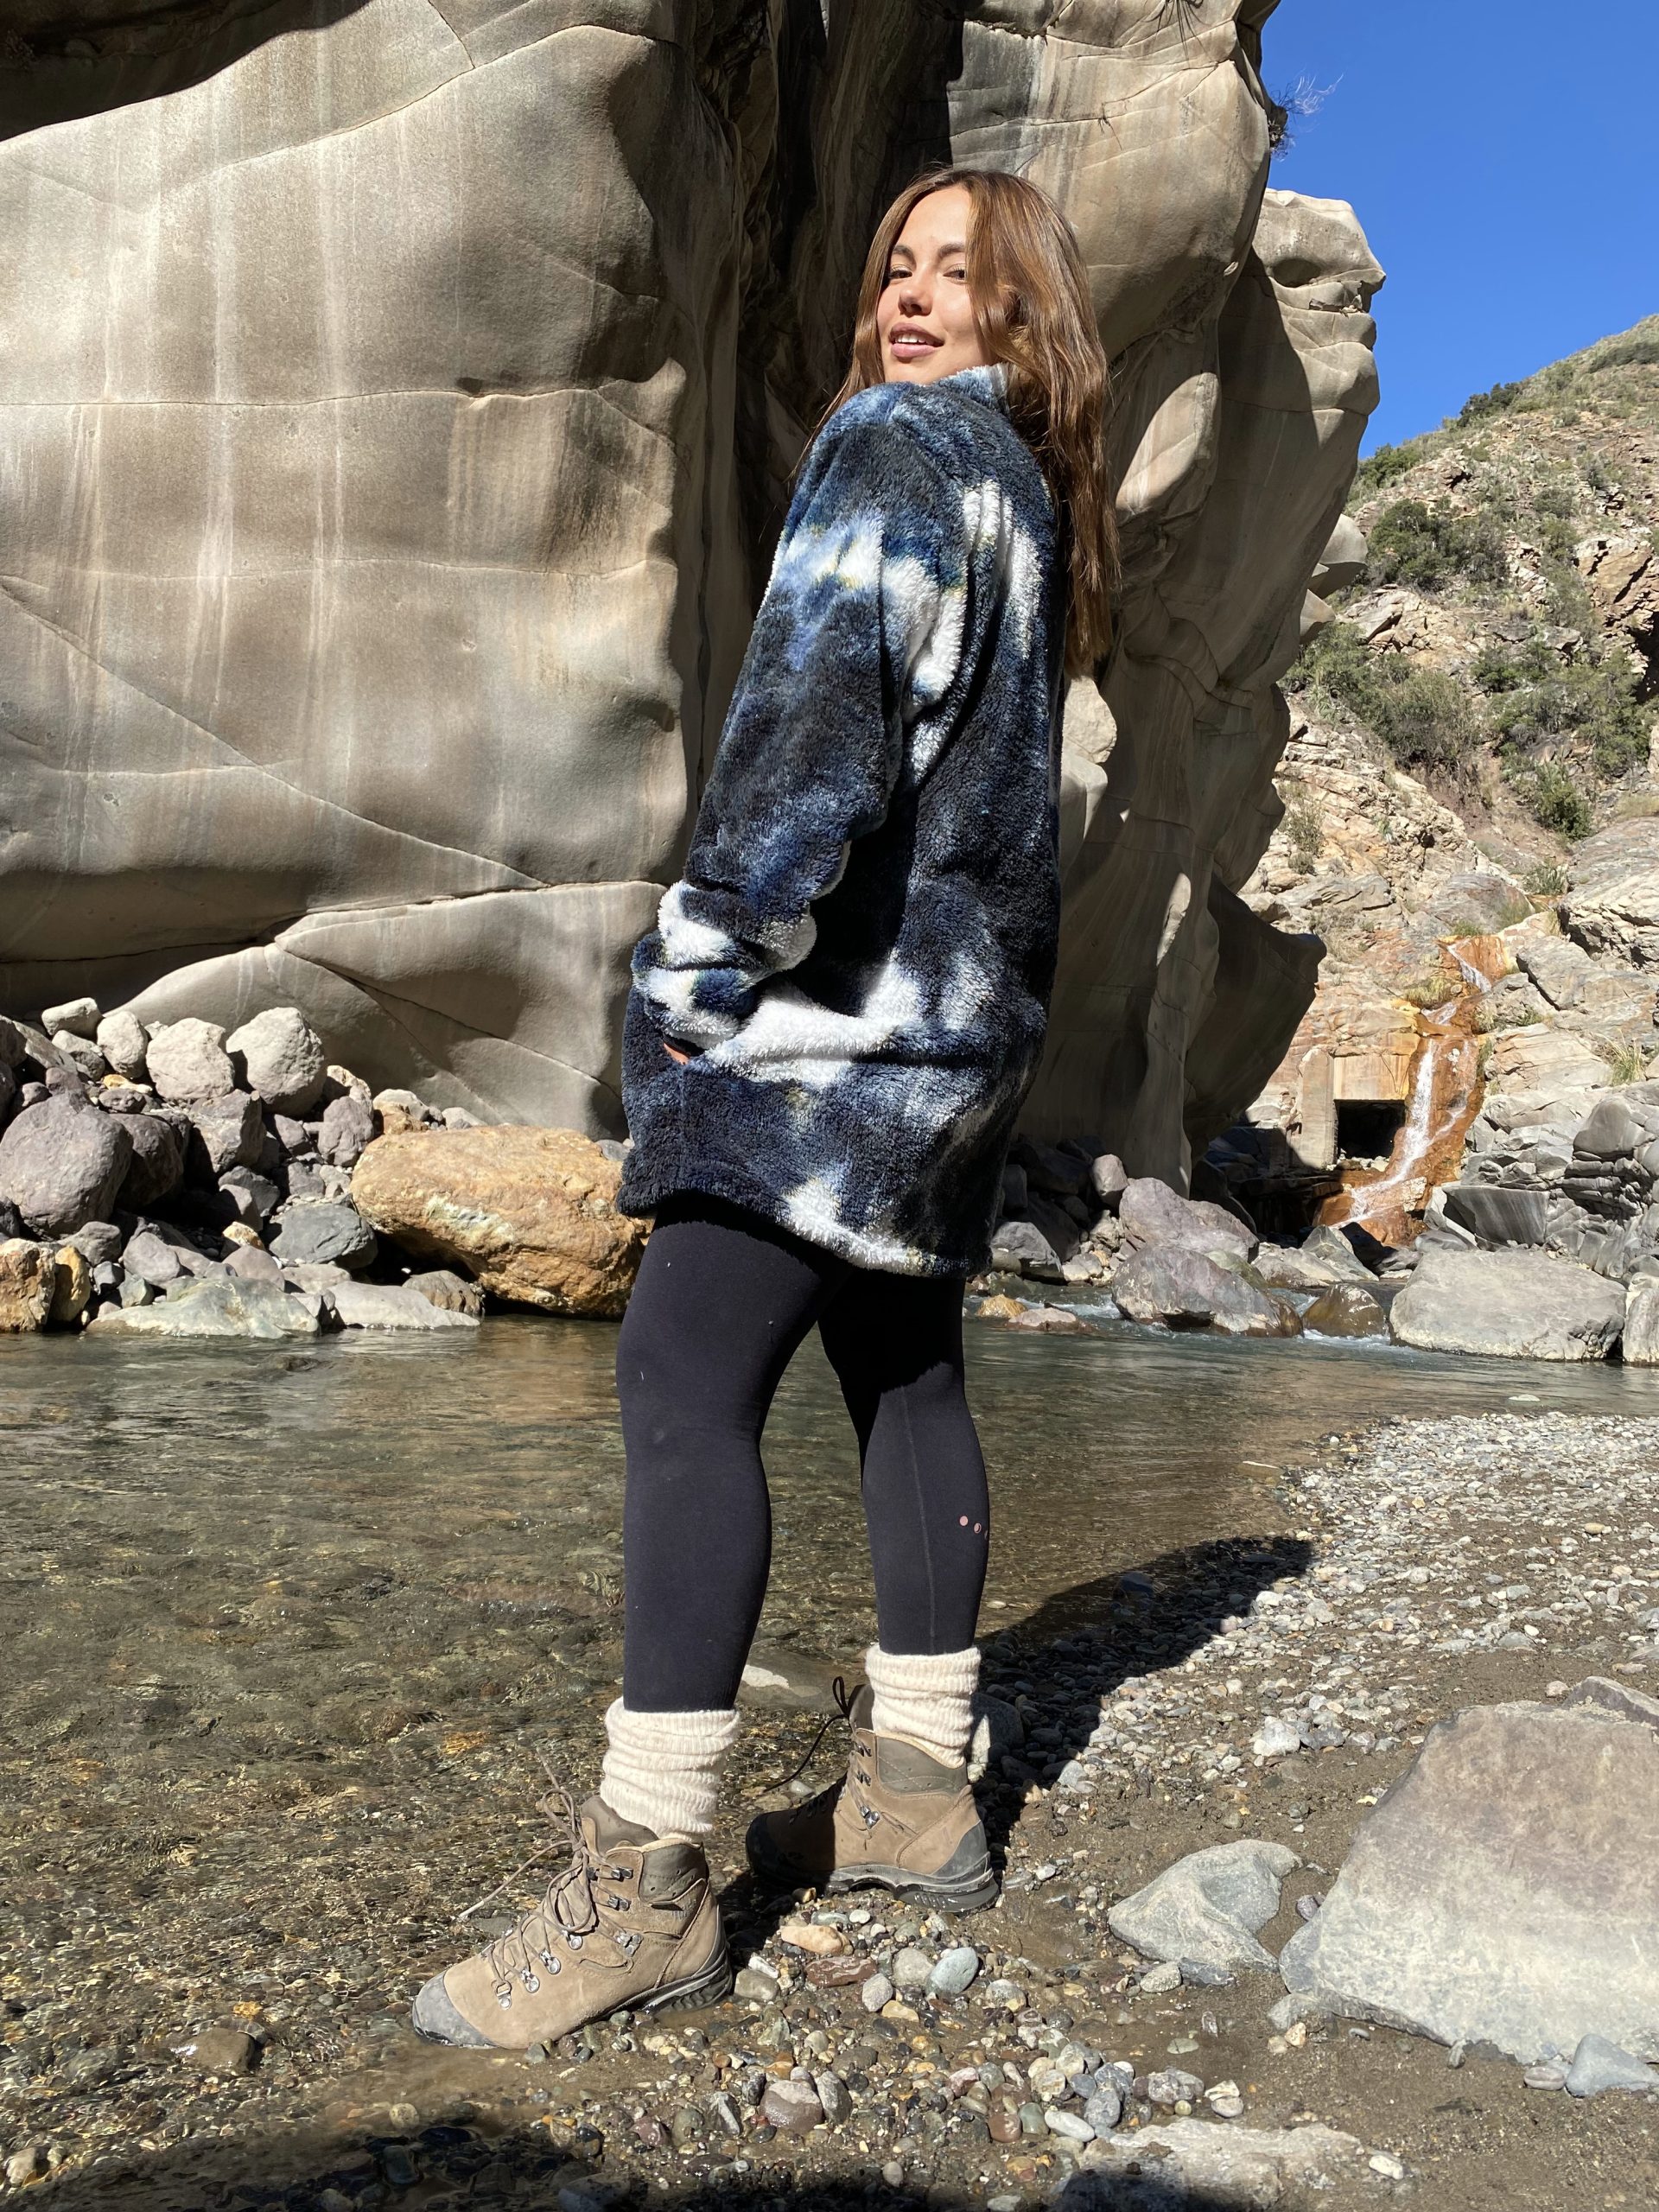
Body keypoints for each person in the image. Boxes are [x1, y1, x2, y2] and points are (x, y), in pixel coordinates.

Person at [412, 163, 1116, 2050]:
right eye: (895, 268)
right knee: (906, 1376)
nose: (909, 299)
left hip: (826, 1035)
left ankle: (644, 1880)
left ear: (1029, 311)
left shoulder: (894, 450)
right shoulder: (1030, 501)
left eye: (960, 272)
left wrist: (692, 978)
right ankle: (918, 1790)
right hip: (956, 1043)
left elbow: (811, 745)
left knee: (679, 1382)